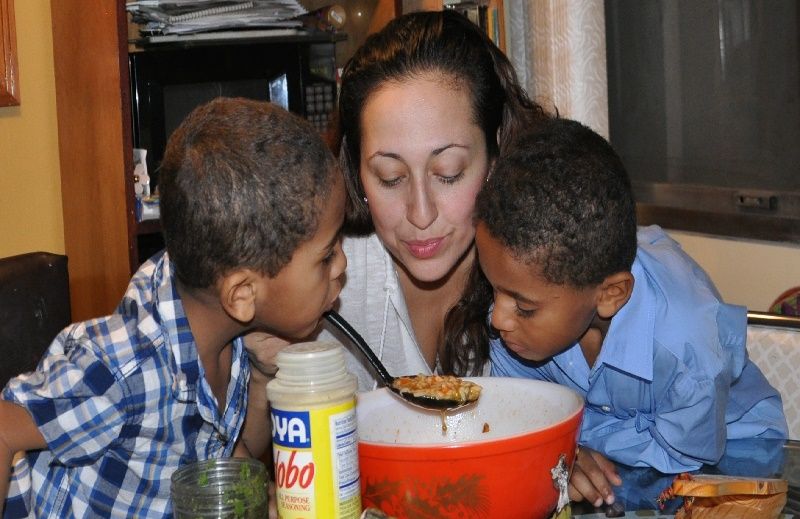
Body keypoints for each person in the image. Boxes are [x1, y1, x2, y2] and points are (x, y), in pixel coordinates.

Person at [0, 97, 347, 517]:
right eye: (327, 256)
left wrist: (261, 374)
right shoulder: (122, 368)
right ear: (241, 294)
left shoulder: (219, 318)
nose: (342, 265)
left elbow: (231, 454)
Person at [462, 117, 788, 508]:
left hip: (732, 451)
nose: (497, 319)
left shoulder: (687, 350)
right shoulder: (525, 306)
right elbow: (523, 414)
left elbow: (682, 459)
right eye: (493, 289)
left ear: (609, 295)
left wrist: (569, 439)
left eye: (524, 307)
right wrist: (561, 446)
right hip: (619, 459)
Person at [318, 9, 549, 389]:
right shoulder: (324, 275)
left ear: (496, 158)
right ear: (356, 172)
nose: (421, 215)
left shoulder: (544, 270)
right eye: (390, 178)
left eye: (449, 173)